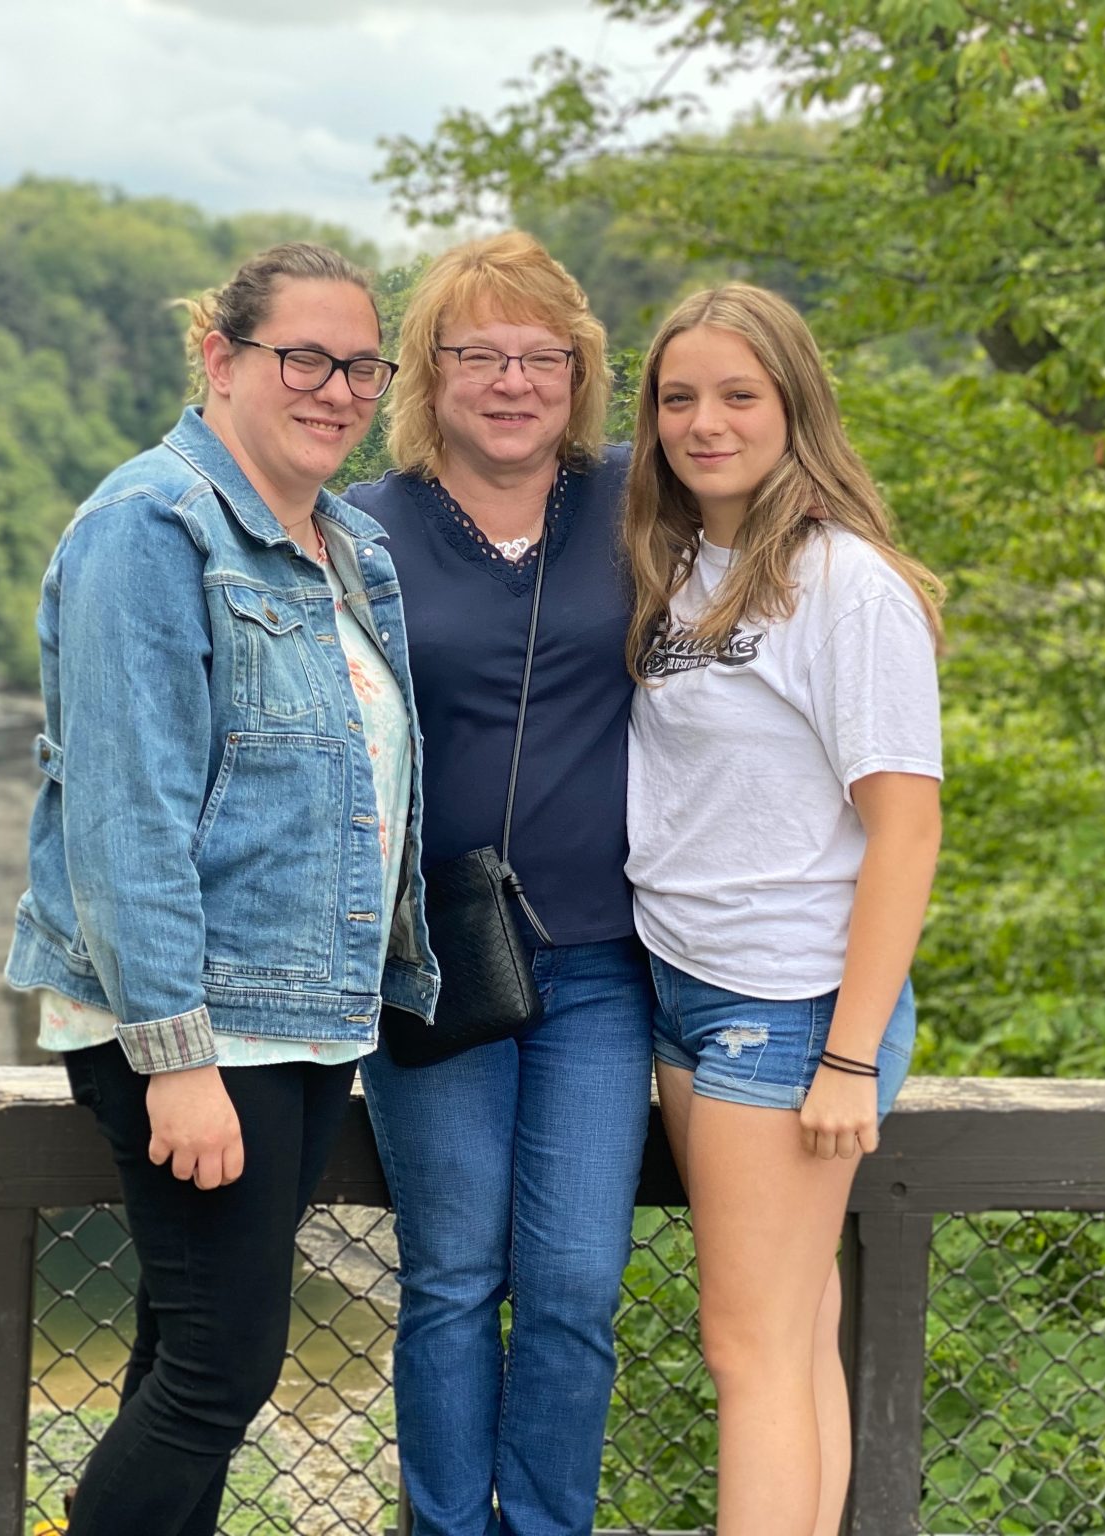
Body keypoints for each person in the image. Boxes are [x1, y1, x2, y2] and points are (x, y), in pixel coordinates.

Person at [3, 242, 439, 1536]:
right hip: (196, 1026)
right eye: (302, 358)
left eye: (360, 366)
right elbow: (125, 815)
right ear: (221, 358)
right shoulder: (150, 529)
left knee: (179, 1355)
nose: (336, 390)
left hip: (299, 1019)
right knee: (219, 1369)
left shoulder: (345, 545)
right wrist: (176, 1057)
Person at [342, 232, 653, 1536]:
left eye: (542, 356)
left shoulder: (639, 500)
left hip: (600, 961)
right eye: (480, 354)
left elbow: (782, 489)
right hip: (431, 960)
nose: (513, 382)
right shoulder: (362, 527)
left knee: (574, 1284)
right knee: (455, 1277)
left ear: (580, 374)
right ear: (430, 371)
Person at [622, 284, 944, 1535]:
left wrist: (850, 1055)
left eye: (736, 395)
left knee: (744, 1348)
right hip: (683, 986)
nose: (703, 423)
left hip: (792, 1002)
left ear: (793, 403)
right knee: (794, 1331)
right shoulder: (676, 563)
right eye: (677, 397)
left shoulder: (842, 584)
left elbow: (905, 829)